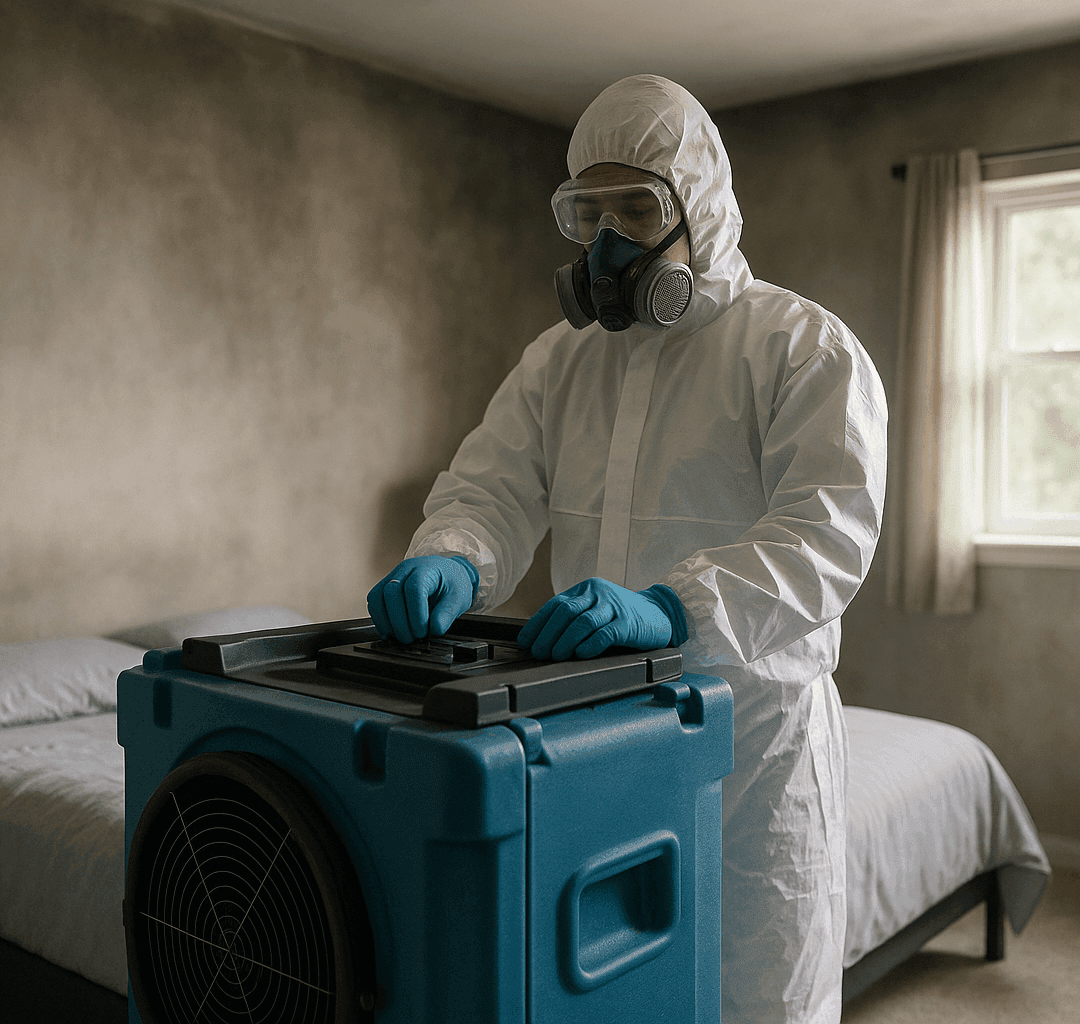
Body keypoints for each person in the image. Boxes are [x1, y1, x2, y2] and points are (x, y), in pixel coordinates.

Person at [367, 74, 886, 1024]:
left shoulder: (802, 347)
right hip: (596, 737)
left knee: (757, 996)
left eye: (637, 208)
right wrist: (452, 551)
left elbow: (828, 536)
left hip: (755, 747)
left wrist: (676, 608)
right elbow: (493, 488)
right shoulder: (560, 361)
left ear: (701, 209)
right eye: (587, 211)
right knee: (608, 986)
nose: (608, 241)